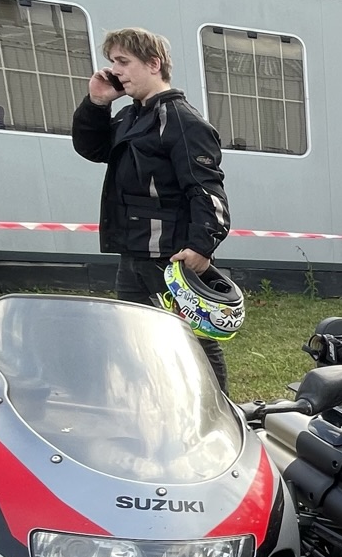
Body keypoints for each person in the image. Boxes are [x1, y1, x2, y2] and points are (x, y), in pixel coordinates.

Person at [72, 28, 233, 389]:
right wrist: (97, 103)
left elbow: (207, 190)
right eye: (113, 62)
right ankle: (151, 407)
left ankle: (220, 415)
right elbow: (93, 149)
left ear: (154, 64)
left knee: (194, 343)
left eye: (123, 62)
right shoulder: (131, 116)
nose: (116, 71)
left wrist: (201, 247)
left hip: (170, 259)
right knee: (133, 339)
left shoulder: (182, 120)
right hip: (133, 254)